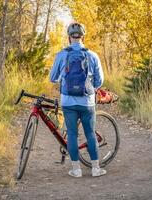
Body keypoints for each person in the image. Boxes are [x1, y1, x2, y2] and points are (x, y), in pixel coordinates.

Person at [49, 22, 106, 178]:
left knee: (72, 134)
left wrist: (63, 78)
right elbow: (99, 81)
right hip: (87, 102)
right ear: (83, 36)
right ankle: (95, 169)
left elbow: (52, 78)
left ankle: (76, 170)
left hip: (68, 102)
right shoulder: (92, 55)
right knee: (90, 134)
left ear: (69, 37)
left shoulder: (62, 55)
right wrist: (89, 86)